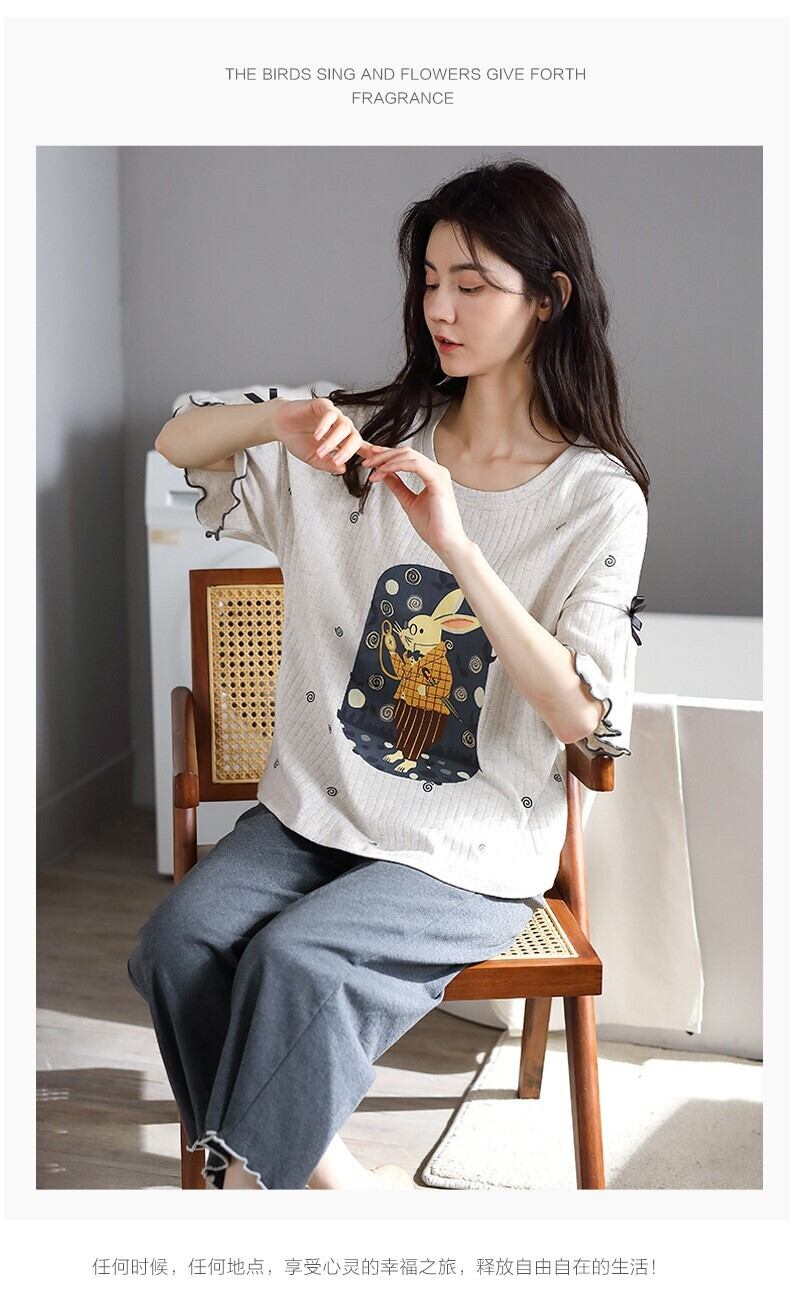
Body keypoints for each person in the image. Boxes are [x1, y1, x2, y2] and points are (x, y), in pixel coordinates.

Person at [127, 157, 649, 1192]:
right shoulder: (365, 440)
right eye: (430, 280)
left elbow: (581, 718)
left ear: (548, 299)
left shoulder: (596, 499)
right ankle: (323, 1177)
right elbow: (179, 440)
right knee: (175, 941)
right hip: (316, 808)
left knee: (297, 961)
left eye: (473, 284)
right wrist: (280, 420)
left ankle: (261, 1182)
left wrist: (456, 543)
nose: (439, 308)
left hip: (465, 843)